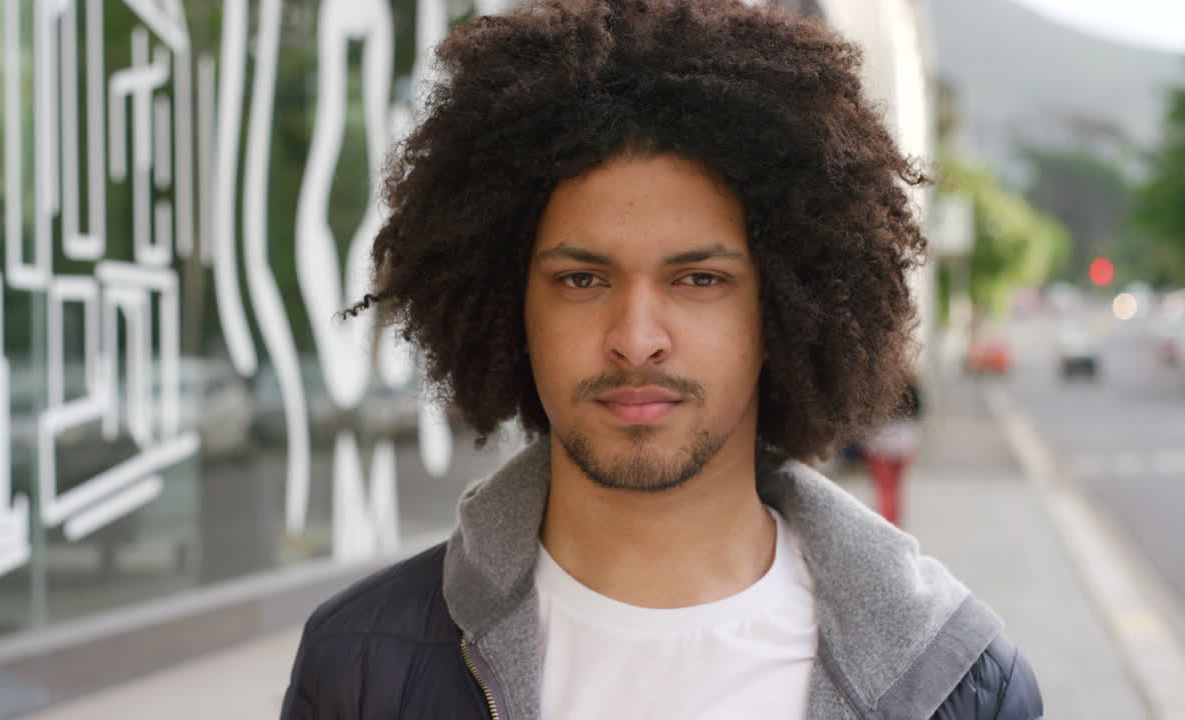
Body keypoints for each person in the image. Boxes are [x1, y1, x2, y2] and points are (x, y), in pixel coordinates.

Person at [280, 1, 1043, 718]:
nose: (637, 337)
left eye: (699, 280)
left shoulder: (962, 689)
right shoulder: (360, 667)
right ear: (511, 307)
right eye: (582, 279)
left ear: (782, 310)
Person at [861, 377, 923, 525]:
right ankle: (894, 522)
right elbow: (918, 410)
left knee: (884, 487)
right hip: (903, 440)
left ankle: (885, 521)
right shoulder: (910, 385)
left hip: (881, 439)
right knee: (896, 487)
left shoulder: (877, 384)